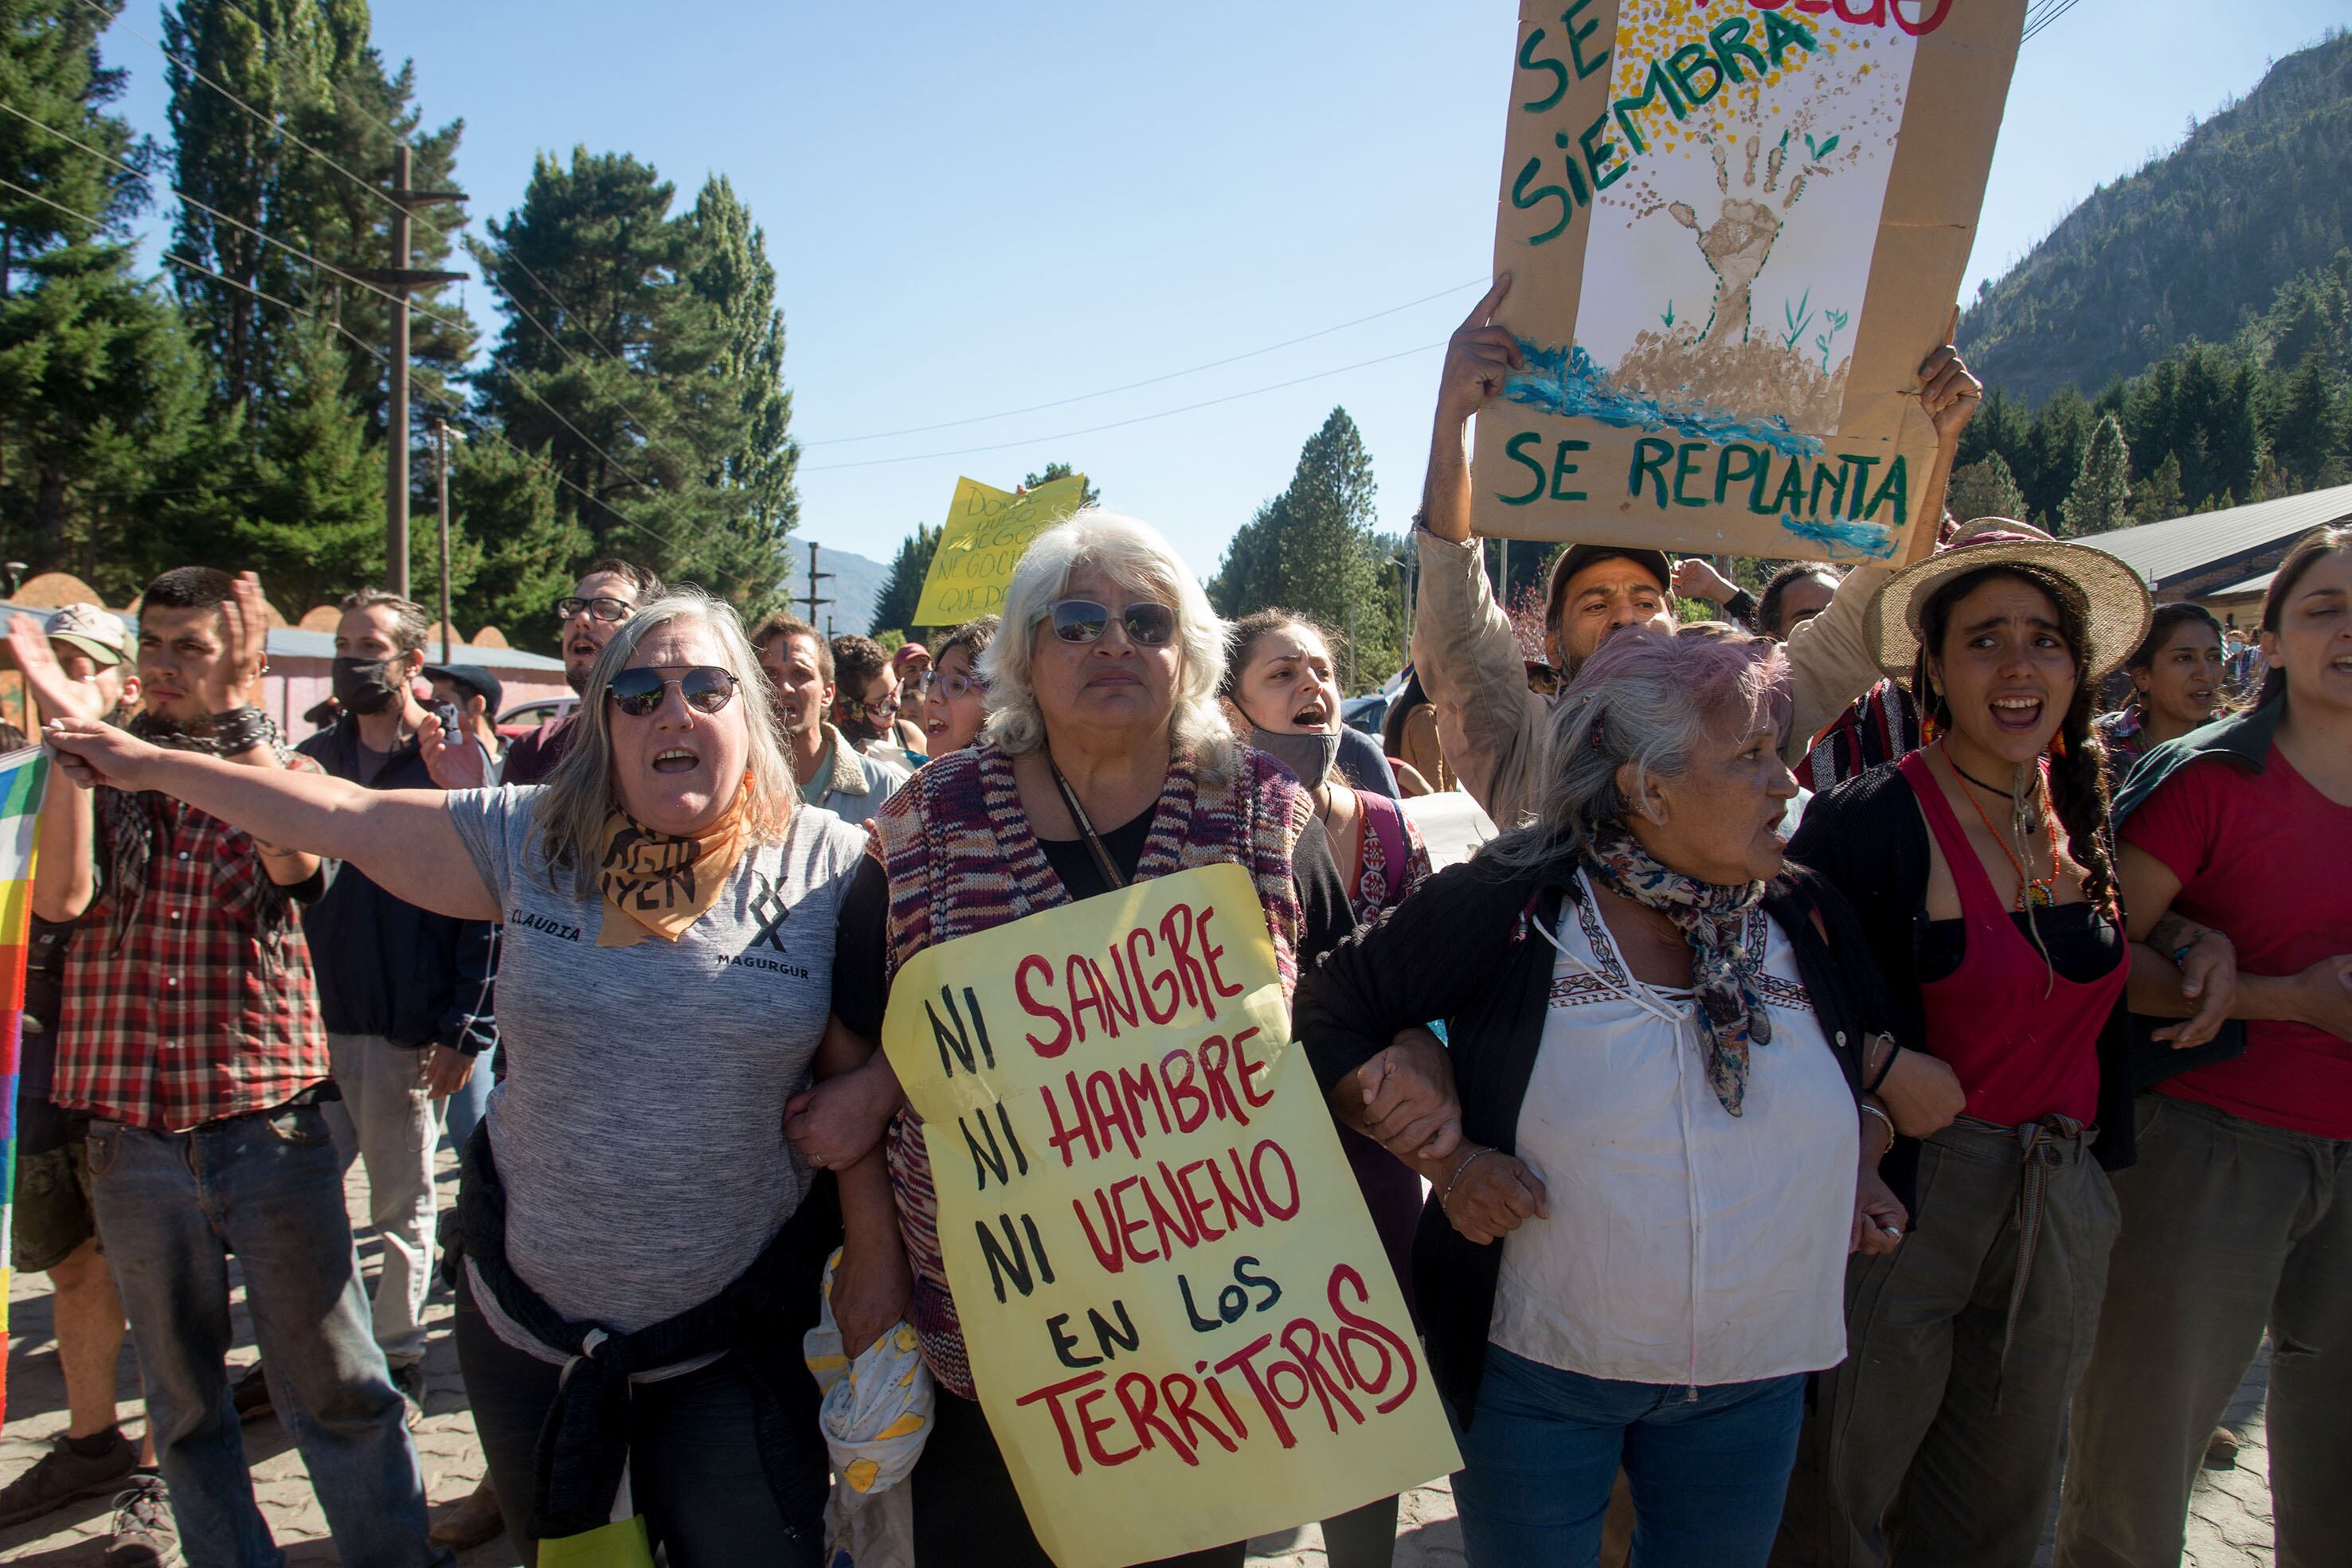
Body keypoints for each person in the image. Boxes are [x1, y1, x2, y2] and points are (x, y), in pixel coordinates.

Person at [38, 587, 910, 1568]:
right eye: (638, 691)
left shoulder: (832, 867)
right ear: (604, 725)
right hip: (528, 1334)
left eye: (706, 686)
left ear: (746, 711)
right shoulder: (532, 837)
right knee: (583, 1564)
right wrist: (151, 763)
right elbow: (343, 813)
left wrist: (874, 1112)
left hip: (732, 1346)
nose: (675, 711)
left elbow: (905, 1035)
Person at [793, 510, 1362, 1568]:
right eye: (1077, 621)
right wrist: (871, 1249)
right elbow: (847, 1037)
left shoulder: (1263, 820)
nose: (1113, 643)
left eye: (1146, 620)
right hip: (997, 1344)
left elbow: (1346, 1007)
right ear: (1022, 654)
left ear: (1189, 654)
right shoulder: (926, 828)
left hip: (1213, 1342)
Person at [1293, 624, 1916, 1567]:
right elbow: (1329, 1012)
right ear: (1643, 785)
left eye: (1776, 753)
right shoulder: (1511, 903)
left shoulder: (1804, 909)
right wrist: (1447, 1159)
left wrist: (1860, 1161)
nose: (1786, 782)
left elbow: (1861, 1061)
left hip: (1754, 1375)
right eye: (1750, 756)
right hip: (1538, 1377)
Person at [10, 569, 445, 1568]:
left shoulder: (269, 763)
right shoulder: (96, 767)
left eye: (191, 649)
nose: (165, 668)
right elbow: (67, 899)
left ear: (236, 660)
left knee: (338, 1384)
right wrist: (73, 747)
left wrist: (243, 713)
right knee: (183, 1402)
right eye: (152, 646)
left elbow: (297, 864)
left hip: (265, 1128)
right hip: (131, 1138)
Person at [1771, 522, 2166, 1568]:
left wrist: (2207, 954)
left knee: (2002, 1509)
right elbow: (1768, 973)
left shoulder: (2080, 813)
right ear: (1933, 669)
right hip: (1904, 1206)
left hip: (2061, 1198)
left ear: (2076, 670)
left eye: (2043, 638)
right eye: (1984, 638)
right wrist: (1878, 1067)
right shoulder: (1867, 822)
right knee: (1837, 1501)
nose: (2018, 663)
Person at [1411, 273, 1982, 823]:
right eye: (1595, 604)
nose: (1625, 618)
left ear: (1676, 622)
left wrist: (1931, 440)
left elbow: (1863, 619)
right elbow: (1457, 631)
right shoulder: (1522, 743)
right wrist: (1448, 418)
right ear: (1553, 647)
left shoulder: (1747, 713)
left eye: (1645, 599)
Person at [2057, 524, 2352, 1568]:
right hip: (2210, 1149)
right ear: (2263, 644)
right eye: (2323, 609)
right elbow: (2091, 957)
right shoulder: (2205, 779)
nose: (2350, 631)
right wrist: (2291, 1001)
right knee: (2136, 1473)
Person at [1221, 610, 1433, 1568]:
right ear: (1231, 708)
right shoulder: (1207, 833)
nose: (1311, 686)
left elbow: (1435, 976)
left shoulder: (1389, 826)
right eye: (1281, 673)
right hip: (1248, 1164)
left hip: (1374, 1156)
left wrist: (1416, 1053)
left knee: (1369, 1383)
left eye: (1320, 668)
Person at [0, 608, 179, 1568]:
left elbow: (68, 895)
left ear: (122, 687)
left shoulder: (149, 779)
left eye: (81, 667)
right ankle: (87, 1439)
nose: (55, 682)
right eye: (44, 667)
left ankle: (158, 1472)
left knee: (153, 1275)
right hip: (37, 1060)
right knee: (70, 1264)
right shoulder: (11, 783)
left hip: (130, 1062)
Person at [297, 589, 500, 1421]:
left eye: (369, 645)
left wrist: (465, 1027)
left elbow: (481, 907)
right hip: (306, 1033)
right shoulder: (311, 758)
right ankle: (317, 1355)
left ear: (413, 662)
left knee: (398, 1209)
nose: (352, 660)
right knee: (303, 1210)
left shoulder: (442, 771)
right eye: (343, 645)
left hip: (401, 1032)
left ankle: (400, 1355)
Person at [494, 560, 661, 788]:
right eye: (573, 609)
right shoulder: (535, 749)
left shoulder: (673, 738)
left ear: (650, 632)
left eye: (607, 609)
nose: (581, 619)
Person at [751, 612, 910, 819]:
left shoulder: (884, 789)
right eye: (769, 674)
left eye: (800, 674)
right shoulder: (726, 785)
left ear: (827, 694)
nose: (783, 688)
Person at [2092, 602, 2225, 787]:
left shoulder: (2232, 748)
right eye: (2184, 658)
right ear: (2143, 677)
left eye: (2214, 657)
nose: (2206, 674)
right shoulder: (2099, 747)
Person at [1678, 561, 1845, 642]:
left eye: (1836, 614)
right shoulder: (1759, 706)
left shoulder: (1869, 703)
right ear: (1772, 640)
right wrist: (1713, 586)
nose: (1827, 628)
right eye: (1805, 620)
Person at [829, 632, 922, 768]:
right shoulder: (828, 754)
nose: (896, 705)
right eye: (883, 702)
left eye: (896, 690)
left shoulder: (907, 733)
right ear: (851, 707)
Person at [919, 615, 996, 756]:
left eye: (956, 685)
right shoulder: (925, 777)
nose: (932, 696)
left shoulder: (1028, 776)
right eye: (932, 681)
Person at [425, 661, 507, 779]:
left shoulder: (521, 758)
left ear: (477, 705)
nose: (433, 710)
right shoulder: (439, 761)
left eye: (441, 701)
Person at [1380, 667, 1450, 795]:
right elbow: (1432, 769)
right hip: (1425, 803)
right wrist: (1441, 805)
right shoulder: (1424, 718)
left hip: (1406, 799)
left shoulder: (1403, 712)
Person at [890, 639, 935, 754]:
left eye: (925, 668)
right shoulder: (887, 709)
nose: (920, 675)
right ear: (897, 674)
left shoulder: (945, 703)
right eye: (911, 670)